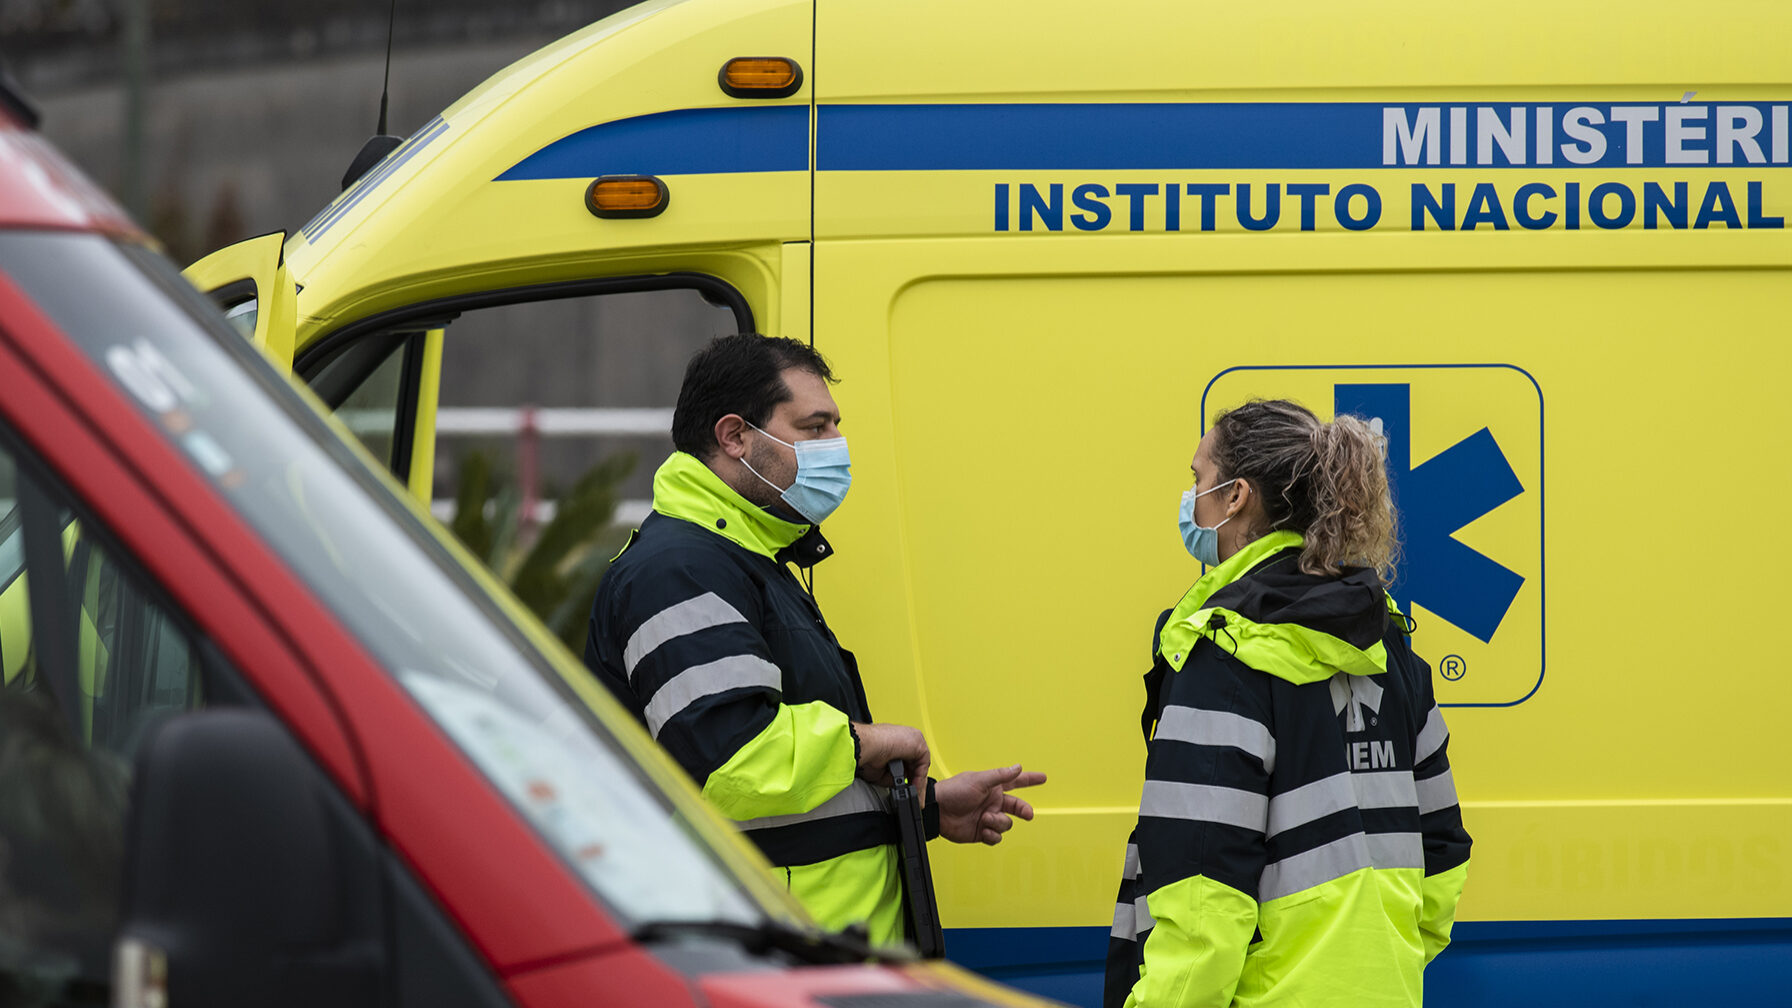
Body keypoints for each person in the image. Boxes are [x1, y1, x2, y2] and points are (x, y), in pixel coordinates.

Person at [584, 333, 1044, 946]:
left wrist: (927, 808)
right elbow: (731, 756)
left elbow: (802, 795)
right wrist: (864, 742)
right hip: (770, 960)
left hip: (816, 955)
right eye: (815, 427)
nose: (837, 447)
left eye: (836, 426)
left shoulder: (749, 558)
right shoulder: (680, 570)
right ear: (734, 437)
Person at [1105, 399, 1471, 1008]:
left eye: (1197, 477)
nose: (1190, 496)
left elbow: (1202, 907)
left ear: (1236, 496)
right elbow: (1442, 857)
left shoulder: (1224, 657)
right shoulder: (1391, 648)